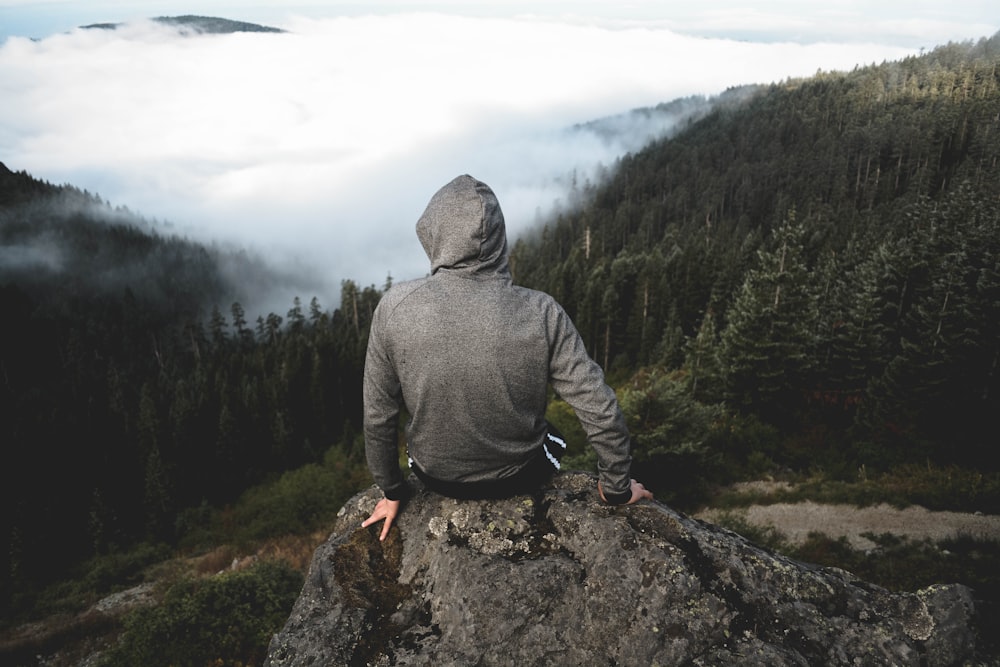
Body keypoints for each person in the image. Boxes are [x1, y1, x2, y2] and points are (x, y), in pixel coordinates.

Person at [361, 174, 652, 541]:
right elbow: (599, 406)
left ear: (433, 234)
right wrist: (616, 487)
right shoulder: (542, 311)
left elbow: (378, 415)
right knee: (554, 438)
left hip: (433, 476)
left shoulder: (394, 308)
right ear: (499, 237)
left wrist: (391, 491)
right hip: (522, 476)